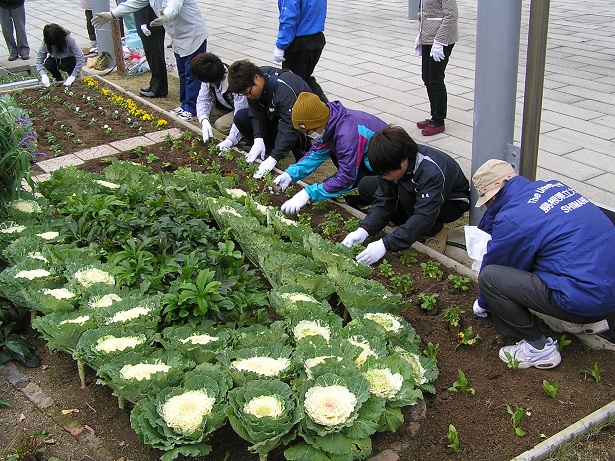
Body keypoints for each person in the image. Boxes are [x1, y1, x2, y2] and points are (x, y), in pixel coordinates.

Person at [471, 159, 615, 370]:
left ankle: (538, 349)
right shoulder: (555, 187)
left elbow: (497, 266)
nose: (486, 206)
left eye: (486, 201)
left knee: (491, 278)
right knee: (554, 255)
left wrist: (483, 303)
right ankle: (582, 322)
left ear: (494, 194)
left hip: (586, 298)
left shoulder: (512, 218)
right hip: (607, 290)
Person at [341, 125, 469, 263]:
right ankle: (407, 229)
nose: (383, 177)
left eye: (386, 173)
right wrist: (365, 229)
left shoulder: (430, 171)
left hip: (450, 203)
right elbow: (384, 198)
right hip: (415, 193)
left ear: (404, 162)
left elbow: (424, 215)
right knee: (367, 185)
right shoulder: (392, 161)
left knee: (406, 193)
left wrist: (385, 245)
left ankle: (434, 231)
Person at [92, 0, 208, 121]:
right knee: (183, 72)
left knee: (192, 73)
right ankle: (184, 105)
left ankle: (191, 108)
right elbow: (135, 2)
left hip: (193, 33)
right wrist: (112, 14)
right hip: (178, 37)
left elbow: (174, 6)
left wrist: (166, 16)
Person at [274, 92, 387, 214]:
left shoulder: (347, 134)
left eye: (308, 131)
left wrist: (308, 193)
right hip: (369, 160)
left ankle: (370, 202)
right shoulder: (332, 121)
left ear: (318, 121)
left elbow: (346, 178)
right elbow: (317, 153)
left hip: (387, 169)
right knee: (331, 186)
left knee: (342, 193)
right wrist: (290, 174)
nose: (308, 135)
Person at [227, 60, 312, 179]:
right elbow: (255, 113)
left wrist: (274, 157)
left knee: (295, 138)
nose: (248, 97)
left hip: (298, 121)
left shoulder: (284, 90)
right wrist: (258, 137)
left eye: (248, 93)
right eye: (244, 95)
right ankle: (267, 150)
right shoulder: (256, 83)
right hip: (274, 116)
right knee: (241, 117)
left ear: (256, 78)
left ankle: (284, 154)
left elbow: (290, 125)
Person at [413, 0, 458, 136]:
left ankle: (439, 121)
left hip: (440, 40)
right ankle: (434, 116)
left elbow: (452, 15)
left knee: (435, 79)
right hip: (428, 38)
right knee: (426, 77)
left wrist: (439, 41)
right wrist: (420, 36)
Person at [189, 52, 248, 150]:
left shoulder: (234, 81)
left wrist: (230, 140)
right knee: (207, 114)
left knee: (221, 125)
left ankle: (247, 138)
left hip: (246, 111)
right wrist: (204, 120)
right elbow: (203, 100)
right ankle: (236, 136)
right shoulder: (209, 77)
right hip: (229, 107)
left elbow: (240, 112)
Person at [273, 0, 328, 103]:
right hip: (315, 38)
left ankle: (324, 111)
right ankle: (328, 109)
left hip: (299, 43)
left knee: (293, 83)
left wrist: (281, 45)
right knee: (305, 79)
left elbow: (289, 18)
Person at [134, 4, 168, 98]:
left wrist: (143, 22)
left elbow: (142, 3)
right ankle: (155, 85)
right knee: (153, 56)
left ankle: (159, 89)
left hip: (150, 22)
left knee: (155, 56)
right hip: (149, 21)